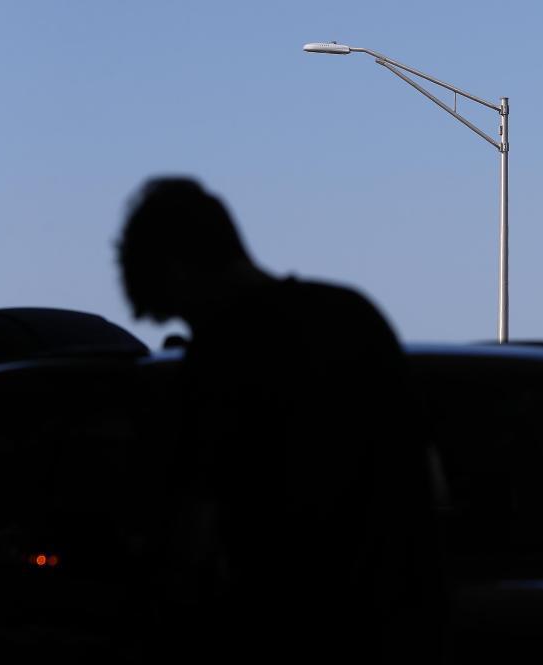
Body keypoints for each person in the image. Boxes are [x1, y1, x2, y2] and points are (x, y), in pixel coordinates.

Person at [117, 177, 440, 660]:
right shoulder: (353, 316)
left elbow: (193, 524)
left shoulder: (221, 361)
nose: (179, 325)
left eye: (172, 309)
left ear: (178, 270)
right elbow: (425, 478)